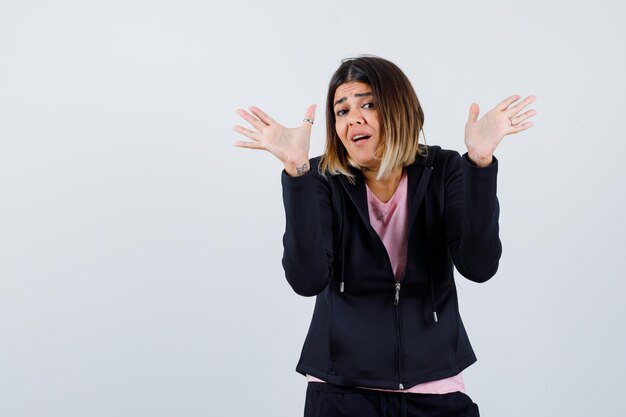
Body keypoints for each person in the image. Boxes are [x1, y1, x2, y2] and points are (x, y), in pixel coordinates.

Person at [233, 56, 536, 417]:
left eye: (368, 104)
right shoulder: (321, 177)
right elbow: (307, 279)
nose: (353, 118)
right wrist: (298, 174)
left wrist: (480, 164)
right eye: (341, 111)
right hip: (340, 393)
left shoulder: (446, 170)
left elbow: (479, 265)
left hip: (435, 390)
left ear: (399, 108)